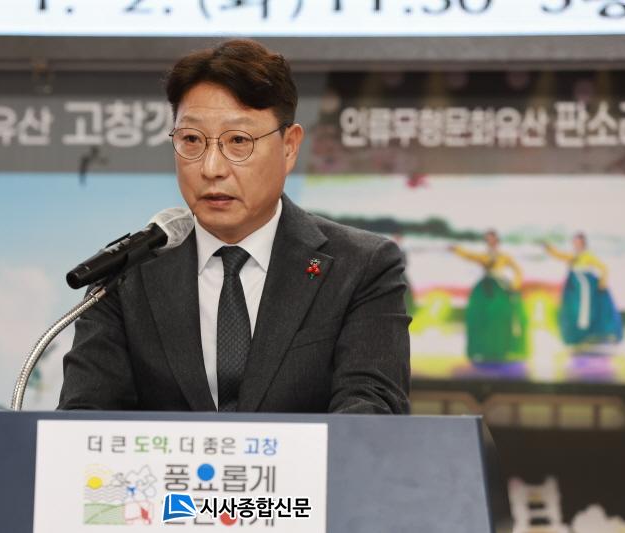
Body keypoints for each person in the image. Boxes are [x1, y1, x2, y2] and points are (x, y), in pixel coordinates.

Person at [58, 39, 410, 414]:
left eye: (238, 141)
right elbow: (83, 421)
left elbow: (371, 415)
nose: (211, 168)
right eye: (191, 140)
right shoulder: (126, 274)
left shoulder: (361, 267)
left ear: (289, 146)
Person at [449, 230, 528, 363]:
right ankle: (484, 350)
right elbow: (469, 255)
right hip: (485, 287)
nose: (490, 242)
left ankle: (501, 349)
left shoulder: (504, 256)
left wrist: (515, 284)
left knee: (501, 317)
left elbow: (518, 270)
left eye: (492, 239)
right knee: (480, 316)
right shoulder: (483, 255)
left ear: (497, 241)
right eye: (487, 240)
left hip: (500, 287)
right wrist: (457, 250)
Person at [543, 233, 623, 346]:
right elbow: (560, 256)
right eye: (575, 242)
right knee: (573, 310)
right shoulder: (573, 255)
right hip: (574, 287)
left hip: (586, 287)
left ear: (583, 243)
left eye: (579, 242)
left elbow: (603, 268)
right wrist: (549, 249)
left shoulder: (587, 255)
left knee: (587, 310)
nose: (576, 244)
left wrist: (603, 281)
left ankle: (591, 335)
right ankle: (576, 336)